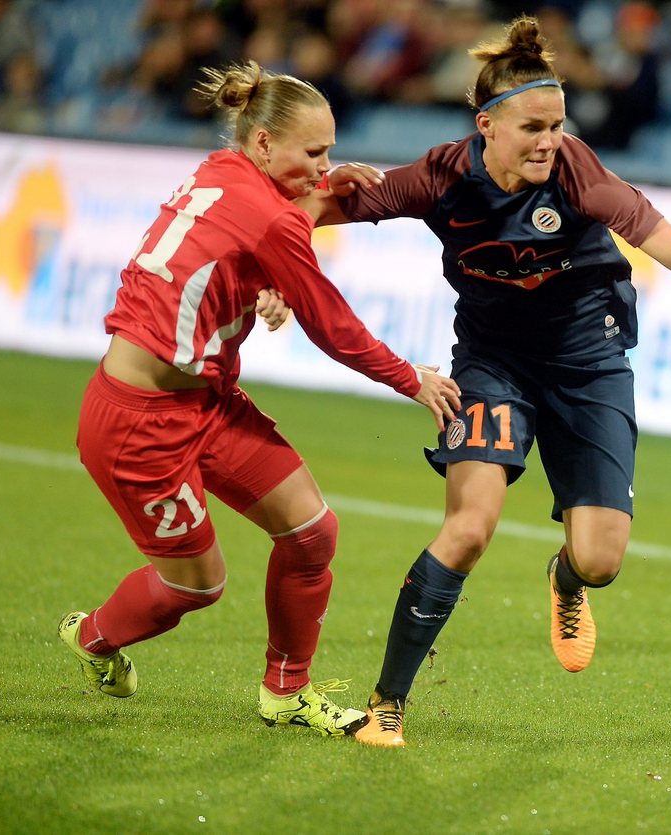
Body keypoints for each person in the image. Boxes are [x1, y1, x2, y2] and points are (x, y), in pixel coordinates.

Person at [304, 15, 671, 748]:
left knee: (601, 559)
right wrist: (280, 278)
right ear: (487, 126)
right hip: (492, 363)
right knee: (470, 527)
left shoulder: (579, 174)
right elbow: (315, 208)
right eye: (534, 127)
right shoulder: (441, 178)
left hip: (589, 363)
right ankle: (388, 705)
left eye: (558, 125)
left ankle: (566, 580)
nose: (550, 141)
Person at [57, 60, 461, 738]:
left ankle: (286, 692)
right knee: (196, 585)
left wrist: (321, 190)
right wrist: (409, 378)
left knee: (312, 533)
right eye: (313, 152)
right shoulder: (272, 216)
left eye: (329, 149)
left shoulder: (224, 168)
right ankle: (92, 636)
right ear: (266, 143)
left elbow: (259, 233)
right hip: (137, 422)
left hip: (205, 401)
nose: (324, 164)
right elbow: (330, 322)